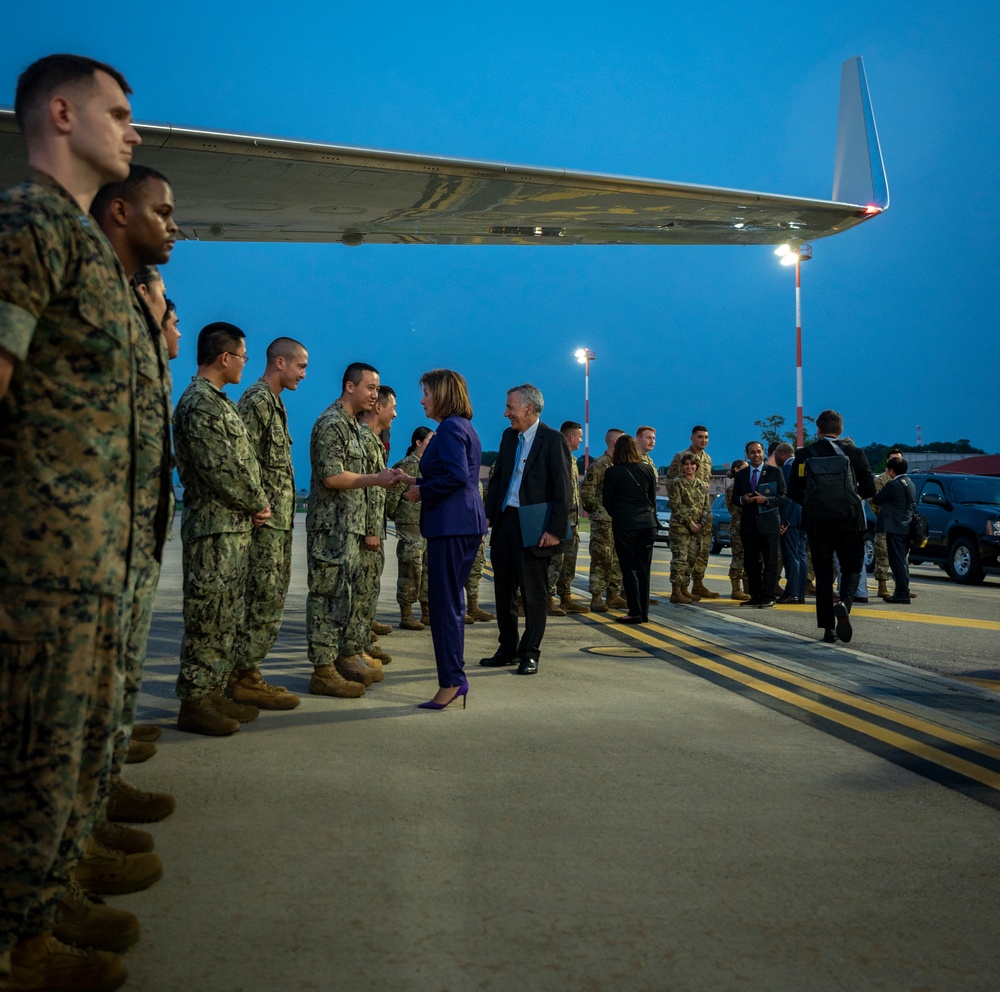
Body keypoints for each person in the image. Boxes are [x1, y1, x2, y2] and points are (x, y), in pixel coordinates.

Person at [0, 52, 141, 991]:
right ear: (61, 112)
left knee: (60, 758)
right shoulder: (26, 224)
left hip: (89, 560)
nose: (133, 129)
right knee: (24, 762)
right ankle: (15, 945)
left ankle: (42, 907)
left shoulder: (83, 238)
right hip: (37, 565)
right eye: (119, 112)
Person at [172, 322, 272, 734]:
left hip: (231, 531)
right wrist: (257, 501)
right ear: (224, 357)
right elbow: (221, 468)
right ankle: (195, 702)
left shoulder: (220, 402)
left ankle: (212, 693)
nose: (245, 364)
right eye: (243, 356)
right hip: (213, 531)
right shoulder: (199, 403)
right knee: (208, 617)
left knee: (226, 616)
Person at [306, 362, 400, 696]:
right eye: (370, 388)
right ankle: (323, 670)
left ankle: (342, 658)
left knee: (342, 600)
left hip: (349, 528)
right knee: (326, 599)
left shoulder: (349, 425)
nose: (375, 395)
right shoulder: (333, 423)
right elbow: (332, 477)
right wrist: (377, 478)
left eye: (377, 390)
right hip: (332, 529)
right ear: (350, 387)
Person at [230, 337, 309, 710]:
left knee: (271, 598)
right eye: (300, 367)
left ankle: (248, 672)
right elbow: (242, 456)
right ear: (280, 362)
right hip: (262, 523)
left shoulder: (274, 403)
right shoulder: (258, 399)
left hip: (275, 524)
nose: (303, 374)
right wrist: (256, 503)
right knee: (262, 599)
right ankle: (242, 676)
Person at [402, 369, 487, 707]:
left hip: (452, 525)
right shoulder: (461, 427)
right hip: (463, 522)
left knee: (444, 607)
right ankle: (454, 679)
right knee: (450, 605)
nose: (422, 399)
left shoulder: (450, 428)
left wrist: (421, 490)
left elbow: (454, 477)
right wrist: (415, 483)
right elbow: (460, 475)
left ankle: (452, 681)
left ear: (443, 395)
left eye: (426, 393)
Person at [481, 384, 574, 675]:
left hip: (534, 525)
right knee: (503, 590)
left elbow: (563, 489)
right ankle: (507, 648)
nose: (506, 413)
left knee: (534, 595)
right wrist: (486, 517)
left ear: (529, 408)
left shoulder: (553, 439)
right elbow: (497, 481)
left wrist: (555, 530)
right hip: (506, 521)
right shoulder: (509, 438)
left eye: (510, 407)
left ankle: (530, 651)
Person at [787, 409, 876, 644]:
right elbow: (870, 489)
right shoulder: (855, 453)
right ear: (841, 430)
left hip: (818, 523)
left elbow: (793, 491)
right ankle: (845, 604)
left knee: (824, 573)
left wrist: (814, 505)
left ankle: (828, 629)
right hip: (850, 521)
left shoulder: (805, 454)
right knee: (852, 567)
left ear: (818, 430)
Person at [358, 384, 397, 669]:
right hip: (361, 527)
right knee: (359, 591)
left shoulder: (377, 438)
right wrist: (371, 529)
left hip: (372, 524)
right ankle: (355, 648)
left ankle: (362, 643)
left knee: (368, 589)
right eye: (392, 407)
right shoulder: (362, 436)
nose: (395, 413)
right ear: (378, 407)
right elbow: (366, 487)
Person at [601, 434, 658, 622]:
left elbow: (607, 500)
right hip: (647, 523)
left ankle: (634, 611)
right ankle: (644, 612)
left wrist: (619, 513)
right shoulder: (648, 469)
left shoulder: (612, 472)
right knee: (644, 568)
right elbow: (652, 498)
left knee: (629, 568)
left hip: (625, 524)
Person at [386, 426, 434, 630]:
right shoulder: (406, 465)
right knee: (410, 568)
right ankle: (406, 614)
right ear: (418, 442)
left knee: (427, 569)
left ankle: (427, 612)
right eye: (430, 440)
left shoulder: (431, 465)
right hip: (410, 524)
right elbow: (392, 496)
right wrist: (397, 515)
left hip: (427, 523)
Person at [730, 441, 786, 607]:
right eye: (752, 452)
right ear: (747, 455)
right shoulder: (741, 475)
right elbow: (734, 498)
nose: (756, 455)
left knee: (770, 562)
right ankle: (755, 595)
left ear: (763, 453)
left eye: (759, 452)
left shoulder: (775, 473)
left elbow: (783, 497)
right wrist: (743, 499)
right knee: (751, 562)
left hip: (768, 524)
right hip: (749, 525)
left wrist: (765, 500)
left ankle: (769, 596)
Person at [667, 425, 719, 599]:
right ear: (692, 438)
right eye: (700, 437)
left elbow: (705, 487)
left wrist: (702, 519)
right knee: (682, 555)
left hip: (701, 517)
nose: (703, 440)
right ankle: (679, 588)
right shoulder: (681, 457)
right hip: (684, 517)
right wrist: (686, 516)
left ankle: (697, 584)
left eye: (706, 437)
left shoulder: (707, 459)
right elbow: (671, 484)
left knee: (701, 552)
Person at [580, 428, 627, 611]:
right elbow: (587, 493)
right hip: (603, 521)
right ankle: (597, 596)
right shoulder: (600, 464)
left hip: (618, 520)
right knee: (601, 558)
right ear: (615, 442)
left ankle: (613, 594)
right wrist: (598, 512)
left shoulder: (620, 464)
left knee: (617, 558)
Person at [547, 420, 589, 615]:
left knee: (568, 561)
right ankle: (548, 598)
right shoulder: (556, 456)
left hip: (573, 520)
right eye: (579, 436)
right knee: (555, 560)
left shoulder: (572, 459)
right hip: (560, 518)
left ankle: (566, 596)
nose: (581, 440)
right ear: (571, 437)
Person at [871, 455, 916, 604]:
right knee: (902, 561)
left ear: (891, 471)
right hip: (905, 526)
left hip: (893, 526)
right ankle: (903, 591)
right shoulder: (909, 483)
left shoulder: (893, 484)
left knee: (896, 562)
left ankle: (902, 594)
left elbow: (877, 499)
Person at [669, 454, 711, 604]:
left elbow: (706, 507)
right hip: (680, 528)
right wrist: (690, 523)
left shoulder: (702, 485)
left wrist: (701, 523)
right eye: (686, 464)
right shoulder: (677, 483)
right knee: (680, 559)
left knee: (691, 559)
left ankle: (685, 589)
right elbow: (675, 505)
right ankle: (676, 591)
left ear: (697, 467)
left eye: (692, 464)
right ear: (682, 466)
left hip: (697, 529)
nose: (689, 467)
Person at [775, 442, 807, 604]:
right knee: (801, 555)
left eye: (776, 455)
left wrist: (784, 521)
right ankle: (799, 592)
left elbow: (788, 497)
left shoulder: (787, 470)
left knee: (792, 557)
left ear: (782, 453)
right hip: (803, 518)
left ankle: (792, 593)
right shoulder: (803, 467)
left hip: (791, 519)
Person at [724, 460, 750, 601]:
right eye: (744, 468)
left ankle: (747, 588)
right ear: (737, 469)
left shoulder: (744, 486)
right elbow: (737, 507)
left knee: (748, 558)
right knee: (738, 558)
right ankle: (736, 589)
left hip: (748, 526)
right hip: (738, 527)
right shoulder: (734, 488)